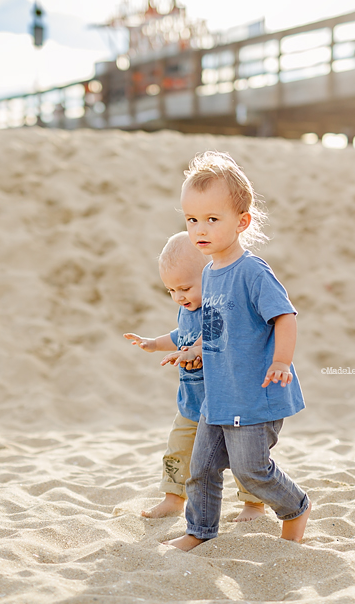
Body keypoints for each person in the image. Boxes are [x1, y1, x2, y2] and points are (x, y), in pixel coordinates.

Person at [165, 151, 310, 551]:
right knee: (202, 468)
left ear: (241, 222)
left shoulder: (252, 272)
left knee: (252, 470)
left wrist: (281, 360)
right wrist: (193, 349)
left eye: (212, 219)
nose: (200, 229)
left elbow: (285, 317)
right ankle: (200, 530)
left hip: (254, 395)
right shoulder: (208, 273)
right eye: (192, 219)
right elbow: (216, 329)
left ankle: (295, 508)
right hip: (219, 395)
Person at [124, 232, 267, 521]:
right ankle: (172, 497)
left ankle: (253, 504)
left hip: (226, 405)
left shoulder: (221, 310)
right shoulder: (186, 311)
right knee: (178, 449)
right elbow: (180, 336)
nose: (179, 297)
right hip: (191, 404)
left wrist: (196, 351)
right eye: (171, 291)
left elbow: (218, 341)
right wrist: (153, 343)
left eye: (185, 288)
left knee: (242, 457)